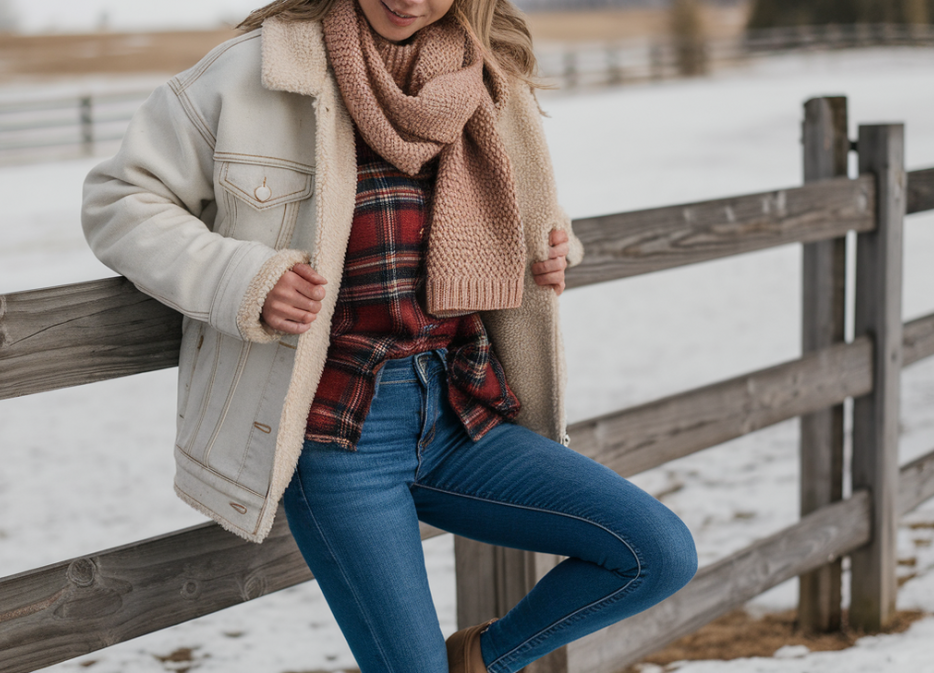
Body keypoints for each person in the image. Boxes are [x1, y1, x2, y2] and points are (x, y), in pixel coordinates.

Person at [81, 0, 697, 671]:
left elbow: (508, 208)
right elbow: (118, 201)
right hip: (339, 434)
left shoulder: (483, 75)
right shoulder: (257, 69)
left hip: (463, 409)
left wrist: (550, 247)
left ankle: (478, 661)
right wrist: (242, 277)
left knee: (656, 552)